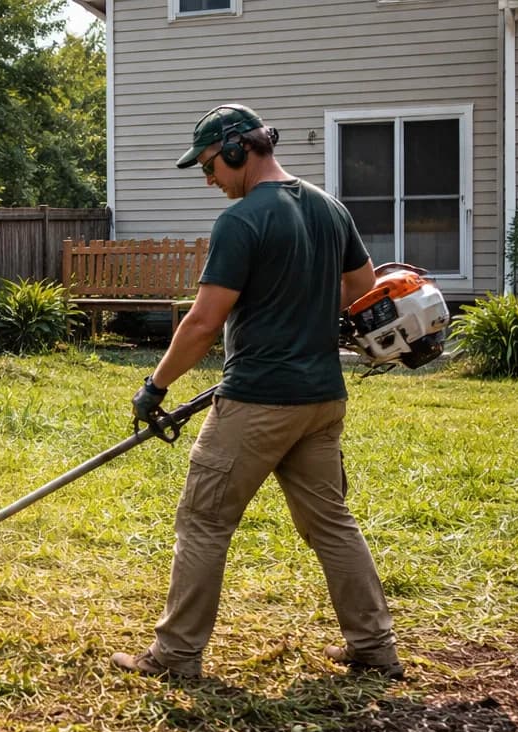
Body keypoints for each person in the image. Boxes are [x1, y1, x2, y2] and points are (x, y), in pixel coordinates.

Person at [109, 103, 404, 681]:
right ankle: (373, 646)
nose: (209, 178)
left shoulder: (242, 221)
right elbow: (363, 290)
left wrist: (155, 385)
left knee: (203, 521)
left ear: (238, 151)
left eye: (209, 165)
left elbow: (201, 322)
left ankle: (174, 657)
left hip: (258, 401)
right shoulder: (328, 207)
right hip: (322, 396)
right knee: (330, 522)